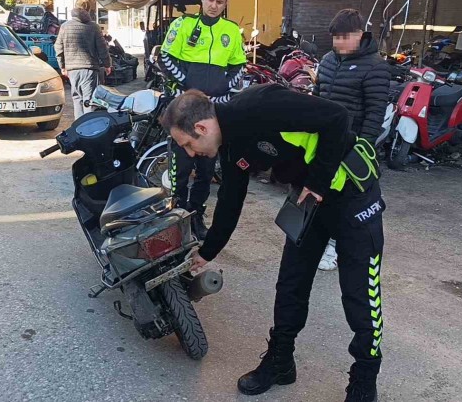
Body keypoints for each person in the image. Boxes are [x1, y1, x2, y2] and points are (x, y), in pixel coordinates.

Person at [162, 84, 385, 402]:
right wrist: (207, 251)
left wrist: (318, 181)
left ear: (201, 128)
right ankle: (281, 362)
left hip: (353, 196)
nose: (189, 153)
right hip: (308, 201)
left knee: (360, 294)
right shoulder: (230, 145)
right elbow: (230, 200)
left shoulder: (259, 105)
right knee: (291, 284)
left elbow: (337, 116)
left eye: (187, 144)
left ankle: (365, 377)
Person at [158, 0, 247, 240]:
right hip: (184, 108)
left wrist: (220, 91)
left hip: (212, 112)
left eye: (219, 2)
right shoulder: (183, 25)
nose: (213, 5)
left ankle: (196, 216)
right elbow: (165, 57)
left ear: (225, 3)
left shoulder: (231, 31)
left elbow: (239, 66)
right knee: (181, 169)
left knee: (206, 170)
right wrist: (189, 88)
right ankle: (177, 218)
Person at [314, 8, 391, 272]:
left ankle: (335, 246)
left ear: (360, 34)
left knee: (346, 200)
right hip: (322, 143)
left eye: (344, 37)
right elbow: (317, 98)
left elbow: (375, 114)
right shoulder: (327, 60)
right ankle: (319, 240)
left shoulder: (376, 66)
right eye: (335, 37)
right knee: (321, 193)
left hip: (352, 146)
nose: (338, 43)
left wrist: (362, 150)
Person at [55, 0, 112, 119]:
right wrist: (107, 65)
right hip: (89, 69)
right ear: (89, 10)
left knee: (77, 99)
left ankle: (79, 126)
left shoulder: (65, 26)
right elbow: (102, 48)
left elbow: (58, 47)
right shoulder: (94, 27)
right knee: (89, 101)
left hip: (72, 69)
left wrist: (62, 66)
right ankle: (88, 127)